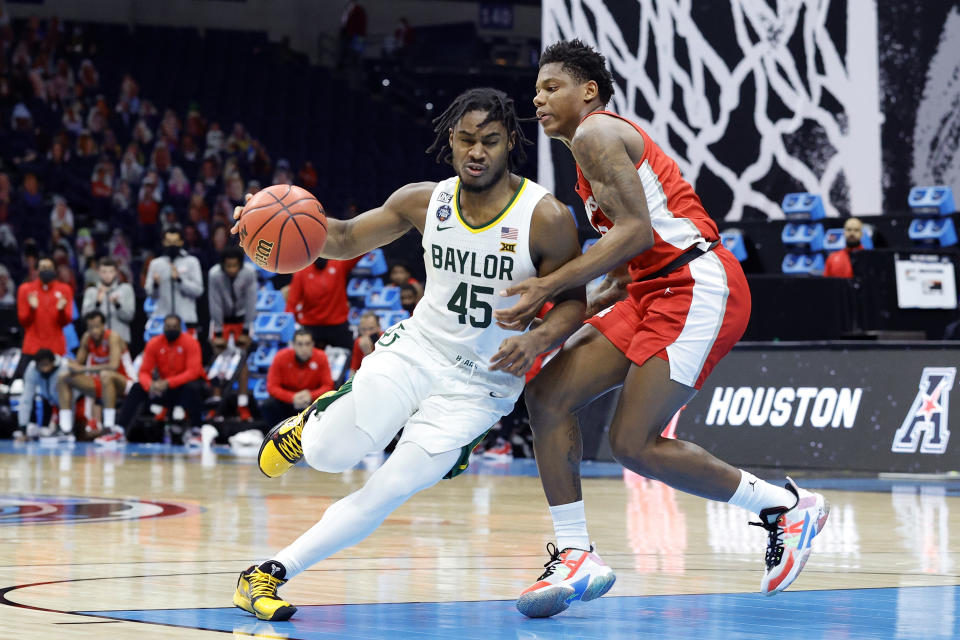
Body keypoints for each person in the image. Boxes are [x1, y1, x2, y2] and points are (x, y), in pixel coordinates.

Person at [495, 40, 829, 618]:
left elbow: (638, 234)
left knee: (633, 443)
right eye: (536, 89)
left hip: (697, 284)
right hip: (650, 289)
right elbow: (629, 254)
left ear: (589, 91)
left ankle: (784, 508)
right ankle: (576, 553)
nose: (538, 98)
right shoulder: (584, 153)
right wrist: (594, 299)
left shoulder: (599, 133)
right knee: (548, 396)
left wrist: (549, 288)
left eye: (551, 87)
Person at [229, 87, 584, 621]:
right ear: (450, 140)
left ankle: (266, 574)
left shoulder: (546, 217)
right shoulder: (424, 200)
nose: (477, 151)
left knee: (389, 488)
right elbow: (345, 237)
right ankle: (308, 427)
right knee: (329, 456)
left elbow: (574, 304)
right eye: (465, 139)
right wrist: (262, 221)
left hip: (481, 387)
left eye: (489, 140)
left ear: (511, 140)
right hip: (417, 352)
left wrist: (536, 340)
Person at [109, 314, 206, 445]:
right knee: (138, 388)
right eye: (168, 326)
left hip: (183, 389)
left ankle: (197, 431)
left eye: (175, 327)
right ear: (163, 327)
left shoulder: (191, 342)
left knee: (193, 387)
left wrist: (168, 382)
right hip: (163, 389)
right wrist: (150, 385)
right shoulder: (154, 343)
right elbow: (144, 371)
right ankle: (119, 431)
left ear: (180, 328)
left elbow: (193, 372)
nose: (171, 329)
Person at [57, 310, 130, 438]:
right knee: (64, 377)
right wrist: (69, 363)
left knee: (106, 375)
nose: (94, 331)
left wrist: (83, 369)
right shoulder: (87, 338)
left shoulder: (113, 337)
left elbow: (114, 366)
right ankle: (66, 430)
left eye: (97, 327)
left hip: (125, 382)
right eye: (90, 327)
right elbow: (78, 364)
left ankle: (109, 428)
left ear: (103, 326)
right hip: (101, 383)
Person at [208, 246, 258, 420]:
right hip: (221, 319)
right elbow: (214, 303)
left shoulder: (249, 273)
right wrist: (219, 333)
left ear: (240, 265)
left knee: (242, 362)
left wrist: (246, 330)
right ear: (222, 265)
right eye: (228, 266)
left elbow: (251, 301)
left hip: (242, 319)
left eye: (234, 266)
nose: (231, 270)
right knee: (217, 358)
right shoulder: (214, 274)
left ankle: (243, 407)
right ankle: (215, 405)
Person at [285, 255, 361, 350]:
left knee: (350, 354)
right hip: (311, 326)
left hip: (337, 325)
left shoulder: (338, 265)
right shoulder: (301, 273)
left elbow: (356, 254)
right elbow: (292, 303)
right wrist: (293, 325)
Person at [262, 329, 335, 426]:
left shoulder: (321, 357)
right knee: (268, 405)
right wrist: (292, 397)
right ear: (293, 345)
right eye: (300, 344)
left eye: (307, 344)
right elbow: (272, 387)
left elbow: (328, 386)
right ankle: (275, 436)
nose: (304, 348)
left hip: (311, 403)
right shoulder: (280, 357)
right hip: (287, 403)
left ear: (313, 344)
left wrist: (310, 395)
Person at [144, 226, 204, 330]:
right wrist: (156, 285)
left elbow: (198, 291)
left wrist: (180, 280)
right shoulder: (155, 264)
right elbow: (149, 293)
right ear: (163, 242)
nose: (172, 245)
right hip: (163, 321)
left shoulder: (192, 262)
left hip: (186, 320)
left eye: (175, 241)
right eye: (168, 241)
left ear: (181, 242)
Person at [17, 256, 74, 358]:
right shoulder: (25, 289)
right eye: (43, 267)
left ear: (54, 270)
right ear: (37, 270)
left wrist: (61, 311)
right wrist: (32, 309)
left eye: (49, 268)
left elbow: (66, 321)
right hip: (32, 347)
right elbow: (23, 322)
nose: (46, 270)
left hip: (56, 348)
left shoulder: (65, 289)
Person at [16, 348, 70, 439]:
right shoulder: (32, 370)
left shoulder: (64, 366)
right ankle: (64, 429)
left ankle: (67, 429)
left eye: (46, 364)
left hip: (74, 402)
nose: (44, 369)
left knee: (80, 433)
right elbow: (26, 399)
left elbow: (71, 395)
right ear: (36, 364)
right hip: (54, 402)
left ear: (53, 362)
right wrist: (23, 428)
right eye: (41, 365)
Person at [81, 256, 135, 344]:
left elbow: (130, 316)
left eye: (111, 271)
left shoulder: (125, 289)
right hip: (97, 341)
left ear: (116, 272)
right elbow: (85, 317)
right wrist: (97, 303)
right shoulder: (91, 291)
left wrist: (117, 304)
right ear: (98, 272)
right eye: (104, 272)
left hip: (120, 340)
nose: (107, 275)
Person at [348, 311, 381, 375]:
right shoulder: (358, 342)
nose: (367, 333)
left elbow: (381, 370)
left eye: (371, 328)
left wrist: (368, 354)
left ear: (378, 328)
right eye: (363, 329)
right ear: (359, 330)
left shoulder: (385, 340)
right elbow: (353, 370)